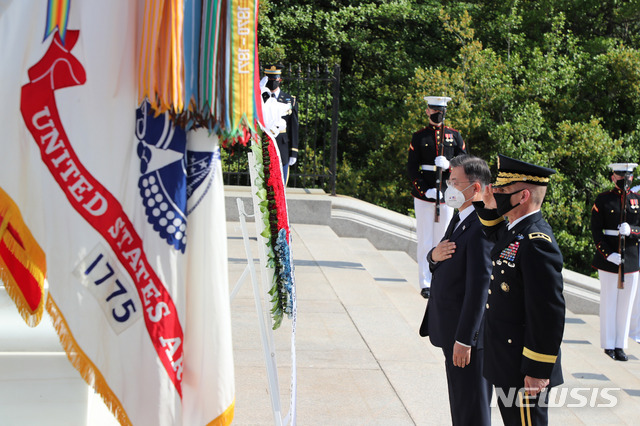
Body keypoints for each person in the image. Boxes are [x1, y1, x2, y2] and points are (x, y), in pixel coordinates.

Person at [475, 154, 565, 426]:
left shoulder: (537, 242)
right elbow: (496, 236)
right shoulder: (517, 230)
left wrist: (537, 369)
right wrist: (488, 203)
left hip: (524, 366)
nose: (496, 193)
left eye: (502, 190)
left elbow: (548, 313)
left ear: (523, 196)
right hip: (508, 359)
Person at [419, 155, 493, 426]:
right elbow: (443, 255)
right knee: (461, 407)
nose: (449, 188)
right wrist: (432, 257)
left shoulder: (482, 227)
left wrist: (465, 339)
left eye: (455, 182)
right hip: (451, 330)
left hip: (467, 339)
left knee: (472, 410)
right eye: (449, 181)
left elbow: (479, 289)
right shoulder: (462, 217)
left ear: (475, 188)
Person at [407, 96, 466, 299]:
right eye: (434, 109)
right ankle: (425, 282)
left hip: (447, 194)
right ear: (427, 111)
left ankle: (441, 278)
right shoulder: (419, 137)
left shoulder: (454, 136)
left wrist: (450, 165)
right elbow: (412, 169)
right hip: (425, 196)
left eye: (440, 110)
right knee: (425, 239)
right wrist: (425, 190)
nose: (437, 113)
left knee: (445, 238)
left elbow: (466, 162)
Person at [591, 163, 640, 360]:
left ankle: (620, 345)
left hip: (631, 257)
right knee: (609, 302)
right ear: (613, 177)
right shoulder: (603, 199)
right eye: (621, 175)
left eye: (628, 175)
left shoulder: (637, 200)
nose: (625, 179)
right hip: (609, 258)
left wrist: (633, 231)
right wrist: (607, 253)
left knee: (626, 304)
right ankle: (608, 344)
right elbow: (596, 231)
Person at [263, 64, 299, 185]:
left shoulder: (289, 100)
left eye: (275, 79)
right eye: (270, 79)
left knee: (280, 185)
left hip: (282, 146)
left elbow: (294, 127)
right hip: (264, 143)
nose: (272, 82)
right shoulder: (260, 98)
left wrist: (294, 151)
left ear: (280, 80)